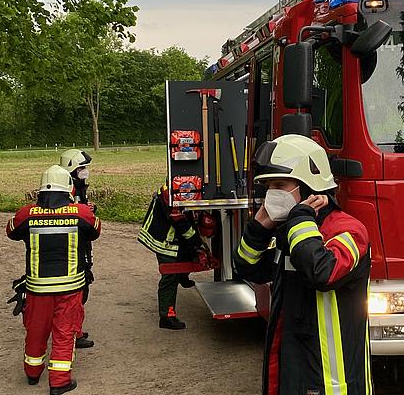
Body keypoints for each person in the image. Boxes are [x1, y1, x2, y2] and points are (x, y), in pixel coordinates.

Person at [233, 134, 372, 394]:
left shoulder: (348, 231)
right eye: (268, 187)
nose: (272, 194)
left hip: (333, 384)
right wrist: (258, 230)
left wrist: (300, 220)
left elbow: (322, 272)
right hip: (293, 375)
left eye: (280, 185)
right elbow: (247, 267)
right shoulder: (291, 232)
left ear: (311, 187)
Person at [6, 165, 101, 394]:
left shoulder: (26, 214)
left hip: (37, 287)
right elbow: (95, 231)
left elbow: (11, 231)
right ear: (68, 189)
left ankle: (32, 373)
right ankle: (59, 382)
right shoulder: (80, 212)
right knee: (64, 332)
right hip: (70, 287)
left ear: (40, 191)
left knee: (36, 330)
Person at [138, 183, 201, 330]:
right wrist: (195, 240)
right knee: (170, 274)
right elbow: (179, 219)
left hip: (172, 237)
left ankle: (182, 277)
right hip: (164, 240)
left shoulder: (177, 184)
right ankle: (167, 317)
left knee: (187, 255)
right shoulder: (170, 193)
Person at [58, 149, 96, 349]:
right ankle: (73, 333)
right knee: (78, 291)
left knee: (82, 289)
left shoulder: (77, 187)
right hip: (74, 246)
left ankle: (76, 330)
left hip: (80, 242)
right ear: (72, 169)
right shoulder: (67, 189)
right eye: (82, 168)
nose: (85, 171)